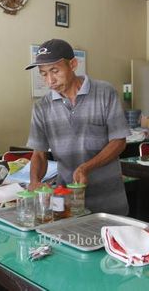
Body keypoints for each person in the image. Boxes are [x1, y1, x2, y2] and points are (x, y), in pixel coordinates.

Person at [24, 39, 131, 215]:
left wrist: (85, 167)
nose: (50, 80)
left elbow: (119, 142)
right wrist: (34, 181)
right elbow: (39, 154)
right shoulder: (41, 107)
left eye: (55, 71)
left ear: (73, 64)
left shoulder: (105, 92)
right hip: (66, 201)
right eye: (43, 74)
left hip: (108, 199)